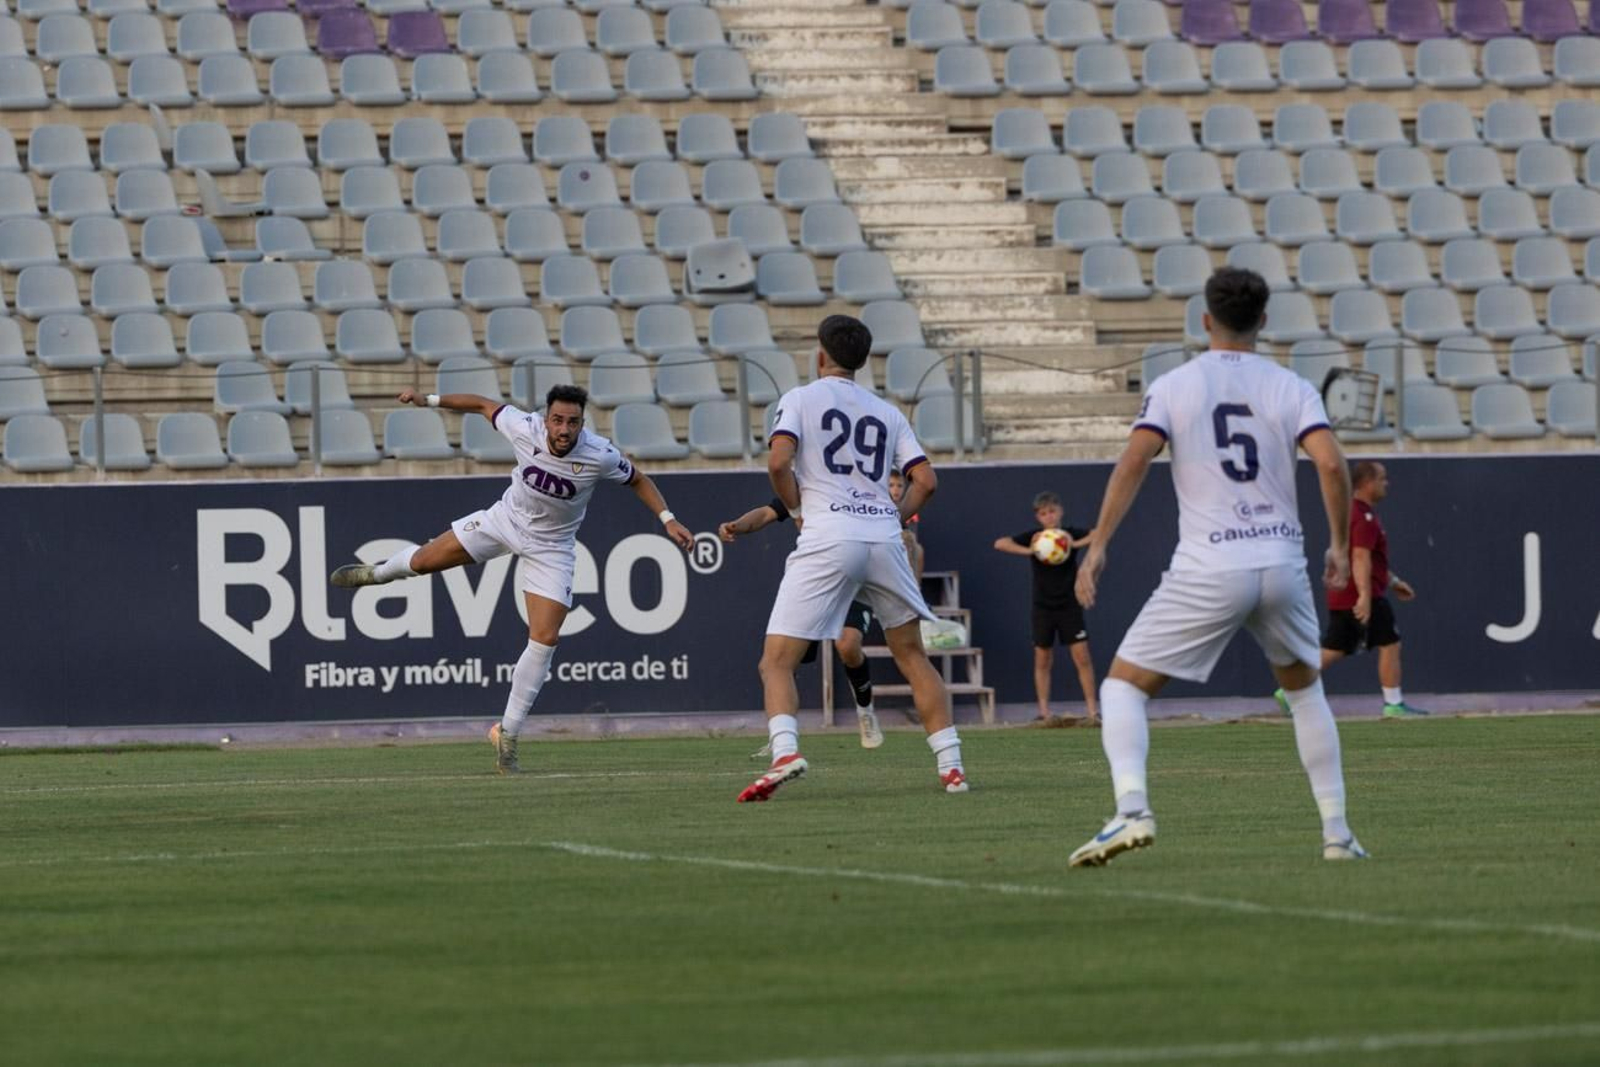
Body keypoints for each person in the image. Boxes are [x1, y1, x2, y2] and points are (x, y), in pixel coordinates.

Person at [1069, 267, 1366, 866]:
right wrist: (1337, 545)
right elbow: (1332, 465)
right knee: (1307, 697)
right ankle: (1337, 834)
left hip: (1211, 563)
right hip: (1281, 560)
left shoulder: (1176, 384)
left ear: (1205, 320)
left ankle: (1131, 811)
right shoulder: (1291, 385)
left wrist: (1099, 541)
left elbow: (1135, 458)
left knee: (1122, 688)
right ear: (1263, 321)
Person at [328, 384, 694, 775]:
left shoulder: (599, 454)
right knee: (422, 561)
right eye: (557, 420)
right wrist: (429, 400)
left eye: (572, 422)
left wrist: (668, 520)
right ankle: (380, 574)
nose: (563, 430)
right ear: (545, 419)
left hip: (551, 548)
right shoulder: (524, 427)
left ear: (581, 424)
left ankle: (508, 733)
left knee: (545, 639)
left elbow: (638, 479)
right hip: (503, 522)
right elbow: (482, 403)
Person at [739, 314, 968, 802]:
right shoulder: (887, 412)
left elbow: (779, 461)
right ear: (863, 362)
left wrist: (798, 507)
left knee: (776, 661)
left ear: (820, 354)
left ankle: (785, 752)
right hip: (883, 538)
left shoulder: (799, 399)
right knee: (912, 656)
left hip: (828, 535)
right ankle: (952, 768)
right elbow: (926, 481)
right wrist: (894, 518)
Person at [719, 499, 886, 749]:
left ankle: (865, 711)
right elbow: (766, 512)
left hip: (850, 578)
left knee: (848, 644)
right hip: (814, 578)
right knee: (783, 660)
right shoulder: (803, 486)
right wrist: (738, 525)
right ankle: (782, 736)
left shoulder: (849, 485)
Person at [1276, 461, 1426, 718]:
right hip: (1359, 594)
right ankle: (1393, 704)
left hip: (1347, 593)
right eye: (1381, 479)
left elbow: (1368, 559)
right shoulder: (1363, 516)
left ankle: (1289, 690)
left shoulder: (1353, 512)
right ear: (1367, 483)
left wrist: (1392, 582)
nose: (1385, 484)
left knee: (1336, 648)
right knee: (1390, 643)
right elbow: (1360, 558)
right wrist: (1366, 596)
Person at [992, 491, 1099, 724]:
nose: (1049, 517)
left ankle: (1093, 711)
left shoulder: (1069, 534)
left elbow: (1098, 534)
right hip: (1043, 606)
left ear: (1060, 511)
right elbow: (1000, 543)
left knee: (1082, 656)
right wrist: (1031, 550)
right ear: (1038, 517)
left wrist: (1073, 544)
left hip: (1070, 603)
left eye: (1052, 511)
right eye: (1043, 513)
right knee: (1042, 657)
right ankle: (1044, 712)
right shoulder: (1035, 537)